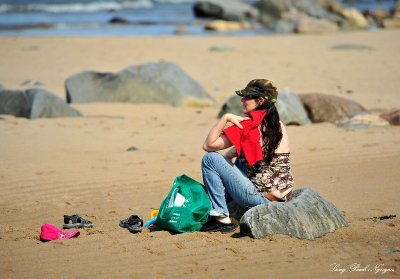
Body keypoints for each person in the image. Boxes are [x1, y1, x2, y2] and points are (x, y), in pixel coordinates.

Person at [200, 79, 294, 233]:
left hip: (260, 199)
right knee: (237, 157)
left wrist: (226, 118)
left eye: (247, 97)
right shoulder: (278, 125)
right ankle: (223, 205)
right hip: (280, 196)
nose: (242, 100)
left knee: (210, 159)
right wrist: (234, 154)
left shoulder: (248, 125)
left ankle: (221, 218)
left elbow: (208, 145)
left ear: (260, 100)